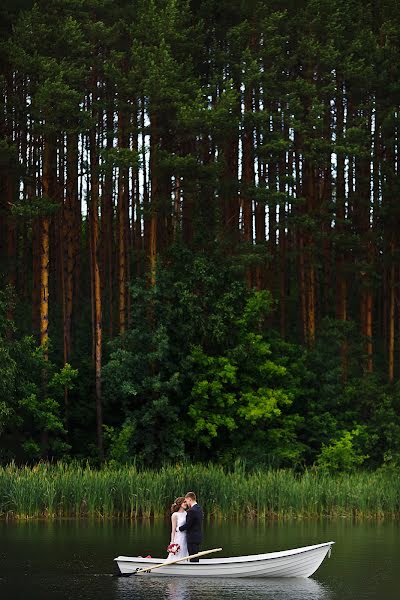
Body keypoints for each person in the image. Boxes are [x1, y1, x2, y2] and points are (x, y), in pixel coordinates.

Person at [178, 491, 203, 562]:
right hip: (198, 537)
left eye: (186, 501)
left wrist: (179, 528)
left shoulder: (191, 511)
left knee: (193, 557)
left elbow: (188, 525)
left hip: (192, 538)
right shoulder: (199, 508)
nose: (187, 503)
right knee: (195, 556)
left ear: (189, 499)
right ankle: (195, 570)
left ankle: (194, 571)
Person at [166, 497, 189, 562]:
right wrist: (172, 542)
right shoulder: (175, 515)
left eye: (186, 502)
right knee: (178, 553)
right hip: (179, 537)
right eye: (184, 502)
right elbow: (173, 531)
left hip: (186, 537)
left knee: (185, 551)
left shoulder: (186, 513)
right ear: (180, 503)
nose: (186, 503)